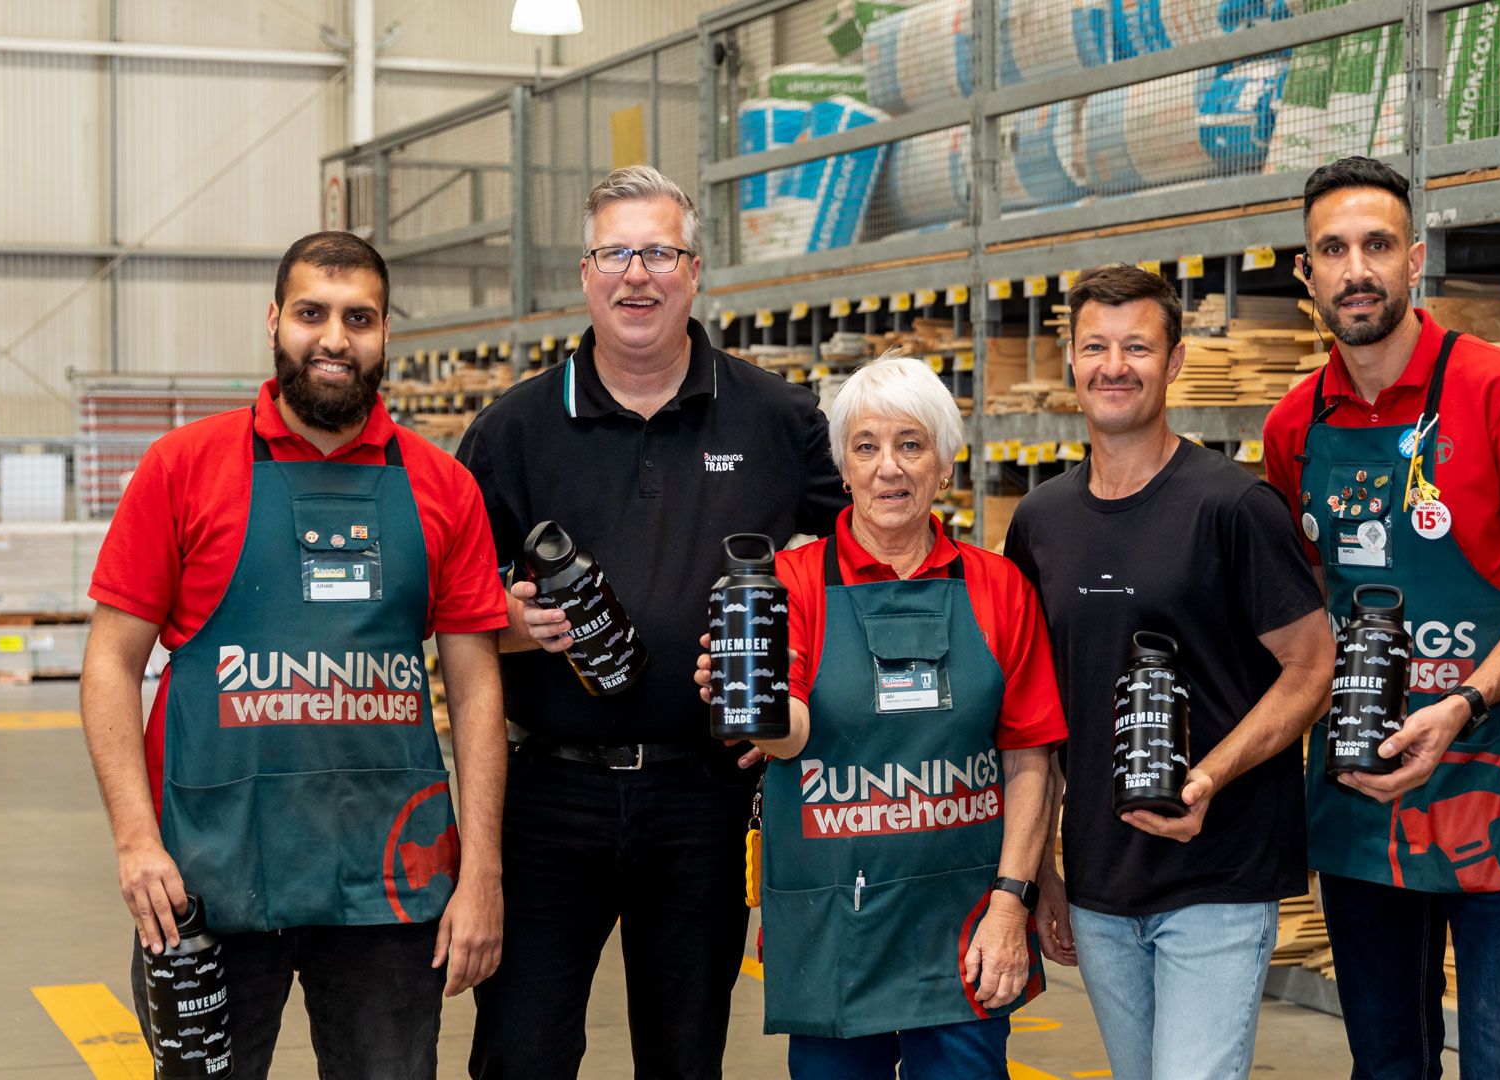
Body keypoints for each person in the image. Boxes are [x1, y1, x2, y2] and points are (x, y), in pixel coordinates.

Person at [79, 231, 509, 1078]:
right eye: (312, 313)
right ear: (275, 320)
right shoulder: (182, 469)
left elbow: (478, 687)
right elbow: (109, 665)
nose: (335, 339)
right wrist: (135, 841)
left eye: (360, 318)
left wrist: (482, 871)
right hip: (208, 878)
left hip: (388, 881)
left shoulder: (442, 485)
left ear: (389, 334)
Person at [459, 165, 847, 1079]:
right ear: (586, 275)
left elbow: (862, 563)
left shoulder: (779, 418)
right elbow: (449, 606)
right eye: (616, 254)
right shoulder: (513, 430)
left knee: (685, 1056)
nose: (638, 275)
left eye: (660, 253)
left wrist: (791, 688)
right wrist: (506, 620)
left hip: (704, 797)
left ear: (697, 270)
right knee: (519, 1053)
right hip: (550, 797)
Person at [1262, 157, 1500, 1079]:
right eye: (1331, 249)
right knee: (1384, 1059)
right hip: (1361, 773)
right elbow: (1302, 617)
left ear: (1415, 260)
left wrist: (1464, 699)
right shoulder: (1294, 425)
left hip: (1499, 767)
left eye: (1376, 245)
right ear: (1306, 274)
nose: (1355, 269)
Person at [690, 353, 1066, 1079]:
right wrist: (752, 699)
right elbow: (789, 731)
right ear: (843, 469)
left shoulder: (1000, 589)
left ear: (945, 468)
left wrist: (1011, 902)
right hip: (838, 928)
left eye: (911, 444)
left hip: (964, 925)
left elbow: (1029, 760)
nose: (888, 468)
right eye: (866, 447)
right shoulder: (790, 586)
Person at [1005, 264, 1335, 1080]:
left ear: (1176, 361)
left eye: (1138, 348)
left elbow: (1312, 665)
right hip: (1100, 875)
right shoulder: (1039, 523)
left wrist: (1209, 777)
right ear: (1070, 361)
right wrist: (1040, 870)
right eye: (1095, 347)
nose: (1114, 366)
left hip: (1218, 872)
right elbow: (1035, 714)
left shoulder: (1233, 508)